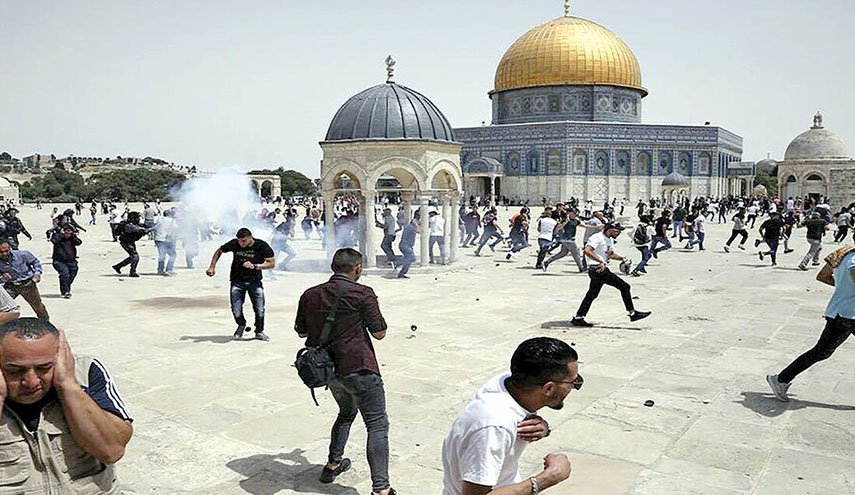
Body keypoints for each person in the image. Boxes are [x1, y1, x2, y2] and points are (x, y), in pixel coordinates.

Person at [294, 248, 397, 495]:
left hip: (330, 371)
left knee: (346, 413)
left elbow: (302, 332)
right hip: (359, 367)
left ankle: (332, 464)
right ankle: (381, 488)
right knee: (377, 424)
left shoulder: (310, 294)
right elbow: (379, 333)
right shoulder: (363, 294)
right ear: (357, 268)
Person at [0, 318, 133, 491]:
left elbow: (112, 450)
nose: (31, 382)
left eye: (44, 368)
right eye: (16, 370)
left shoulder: (85, 372)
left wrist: (68, 385)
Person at [441, 337, 576, 495]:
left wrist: (544, 428)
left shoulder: (508, 382)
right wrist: (549, 477)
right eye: (573, 383)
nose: (574, 387)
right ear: (548, 389)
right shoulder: (495, 427)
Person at [767, 245, 855, 401]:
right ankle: (780, 379)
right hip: (845, 316)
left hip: (842, 311)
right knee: (821, 352)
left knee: (821, 352)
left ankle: (781, 379)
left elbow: (822, 276)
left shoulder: (843, 253)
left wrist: (843, 287)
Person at [570, 224, 651, 327]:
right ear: (610, 230)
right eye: (617, 231)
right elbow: (587, 250)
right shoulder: (597, 237)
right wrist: (600, 261)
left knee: (591, 295)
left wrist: (622, 258)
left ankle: (578, 317)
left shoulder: (610, 240)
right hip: (598, 269)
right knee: (625, 287)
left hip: (599, 269)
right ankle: (633, 313)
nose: (619, 233)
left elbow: (610, 254)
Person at [206, 228, 275, 341]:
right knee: (236, 308)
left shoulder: (261, 246)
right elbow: (219, 251)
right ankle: (241, 325)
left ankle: (259, 331)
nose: (241, 243)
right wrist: (212, 266)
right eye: (239, 241)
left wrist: (256, 266)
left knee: (259, 309)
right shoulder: (234, 243)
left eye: (244, 241)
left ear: (250, 238)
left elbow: (271, 263)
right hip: (237, 281)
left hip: (255, 282)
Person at [0, 240, 49, 321]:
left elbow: (35, 262)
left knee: (38, 306)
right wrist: (2, 276)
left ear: (10, 248)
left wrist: (37, 273)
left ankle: (46, 323)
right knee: (3, 306)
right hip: (10, 286)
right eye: (1, 252)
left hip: (27, 284)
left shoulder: (23, 254)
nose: (5, 254)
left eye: (6, 251)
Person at [112, 211, 150, 278]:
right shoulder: (129, 226)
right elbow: (138, 230)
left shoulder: (131, 224)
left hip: (130, 242)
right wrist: (147, 230)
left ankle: (118, 266)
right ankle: (132, 272)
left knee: (132, 257)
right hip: (126, 242)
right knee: (135, 256)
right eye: (137, 218)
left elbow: (141, 226)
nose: (138, 219)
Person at [50, 225, 82, 298]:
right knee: (65, 274)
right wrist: (61, 235)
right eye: (66, 232)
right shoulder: (57, 236)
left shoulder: (72, 238)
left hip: (71, 261)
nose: (67, 234)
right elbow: (54, 241)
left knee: (72, 274)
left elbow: (79, 242)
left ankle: (65, 286)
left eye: (69, 233)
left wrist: (73, 236)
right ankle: (66, 291)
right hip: (59, 261)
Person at [154, 208, 178, 276]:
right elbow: (175, 229)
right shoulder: (172, 221)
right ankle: (169, 269)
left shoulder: (160, 219)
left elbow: (156, 228)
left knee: (161, 256)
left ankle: (160, 270)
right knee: (173, 255)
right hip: (166, 240)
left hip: (158, 239)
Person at [397, 212, 419, 279]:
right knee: (412, 258)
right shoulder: (411, 227)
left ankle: (402, 273)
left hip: (407, 246)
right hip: (405, 245)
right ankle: (397, 262)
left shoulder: (408, 226)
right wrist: (416, 224)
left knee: (408, 261)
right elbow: (420, 231)